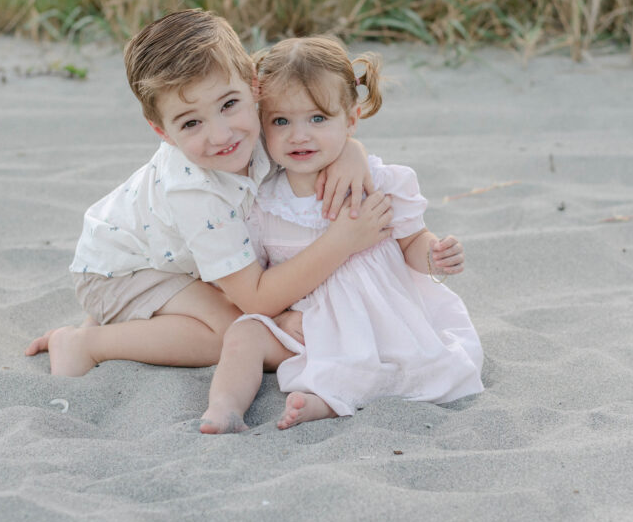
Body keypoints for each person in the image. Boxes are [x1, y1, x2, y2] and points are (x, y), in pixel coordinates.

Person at [24, 10, 420, 375]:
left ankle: (127, 322)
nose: (221, 135)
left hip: (174, 259)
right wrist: (342, 241)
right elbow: (256, 300)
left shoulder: (260, 125)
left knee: (240, 316)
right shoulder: (195, 192)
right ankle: (86, 342)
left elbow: (314, 138)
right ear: (163, 131)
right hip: (121, 271)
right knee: (232, 331)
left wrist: (352, 152)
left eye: (229, 104)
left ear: (253, 86)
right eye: (191, 123)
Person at [199, 36, 484, 434]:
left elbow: (410, 242)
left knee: (375, 361)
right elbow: (260, 277)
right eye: (281, 121)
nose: (299, 135)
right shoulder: (261, 199)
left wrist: (434, 254)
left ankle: (325, 403)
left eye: (318, 119)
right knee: (244, 334)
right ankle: (225, 407)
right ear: (261, 125)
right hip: (306, 323)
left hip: (375, 317)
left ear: (351, 120)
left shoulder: (380, 182)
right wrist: (279, 317)